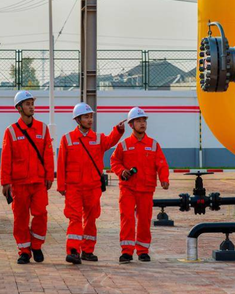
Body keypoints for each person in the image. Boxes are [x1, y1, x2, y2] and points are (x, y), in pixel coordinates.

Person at [57, 102, 125, 264]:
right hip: (74, 187)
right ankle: (73, 250)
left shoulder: (98, 138)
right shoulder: (67, 139)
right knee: (74, 218)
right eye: (86, 117)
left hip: (93, 187)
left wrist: (118, 131)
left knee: (91, 218)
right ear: (77, 119)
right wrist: (61, 185)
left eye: (90, 116)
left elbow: (110, 142)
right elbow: (60, 163)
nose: (89, 120)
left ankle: (87, 251)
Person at [0, 90, 54, 264]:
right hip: (19, 183)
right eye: (28, 104)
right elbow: (6, 158)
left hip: (38, 182)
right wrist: (5, 182)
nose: (32, 107)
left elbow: (48, 154)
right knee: (20, 218)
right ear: (19, 108)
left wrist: (49, 176)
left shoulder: (43, 128)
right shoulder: (11, 131)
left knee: (40, 214)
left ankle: (36, 246)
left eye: (32, 103)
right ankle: (24, 250)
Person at [111, 107, 169, 263]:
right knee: (127, 219)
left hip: (146, 189)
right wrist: (122, 171)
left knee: (144, 220)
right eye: (138, 121)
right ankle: (127, 252)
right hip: (128, 189)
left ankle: (143, 251)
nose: (142, 123)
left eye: (144, 120)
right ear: (131, 124)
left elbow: (162, 163)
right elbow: (114, 161)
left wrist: (164, 178)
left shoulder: (153, 144)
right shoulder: (123, 145)